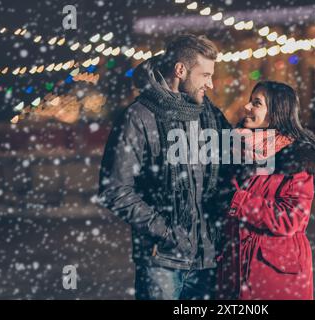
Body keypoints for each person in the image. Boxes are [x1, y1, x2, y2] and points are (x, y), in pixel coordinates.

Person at [98, 34, 231, 300]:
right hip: (162, 261)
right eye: (205, 75)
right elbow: (114, 190)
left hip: (207, 260)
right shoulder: (139, 117)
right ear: (180, 70)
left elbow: (238, 162)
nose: (211, 83)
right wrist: (168, 233)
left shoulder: (209, 114)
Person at [217, 81, 315, 300]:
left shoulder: (296, 157)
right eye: (250, 100)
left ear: (276, 112)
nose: (247, 107)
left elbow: (290, 217)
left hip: (275, 274)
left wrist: (239, 201)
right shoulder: (236, 149)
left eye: (256, 103)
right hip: (236, 270)